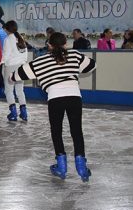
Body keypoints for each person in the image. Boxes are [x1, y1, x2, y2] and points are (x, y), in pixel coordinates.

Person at [11, 32, 96, 182]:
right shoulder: (74, 55)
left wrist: (13, 75)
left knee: (56, 132)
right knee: (76, 131)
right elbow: (92, 65)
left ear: (48, 45)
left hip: (55, 98)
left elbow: (16, 76)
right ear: (65, 44)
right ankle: (81, 167)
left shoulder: (40, 62)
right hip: (74, 97)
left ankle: (61, 167)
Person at [1, 21, 29, 122]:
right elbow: (25, 54)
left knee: (8, 90)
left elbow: (6, 54)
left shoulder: (8, 39)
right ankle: (24, 112)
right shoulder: (21, 38)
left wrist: (0, 63)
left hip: (11, 67)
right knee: (20, 90)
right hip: (21, 66)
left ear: (7, 29)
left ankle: (13, 113)